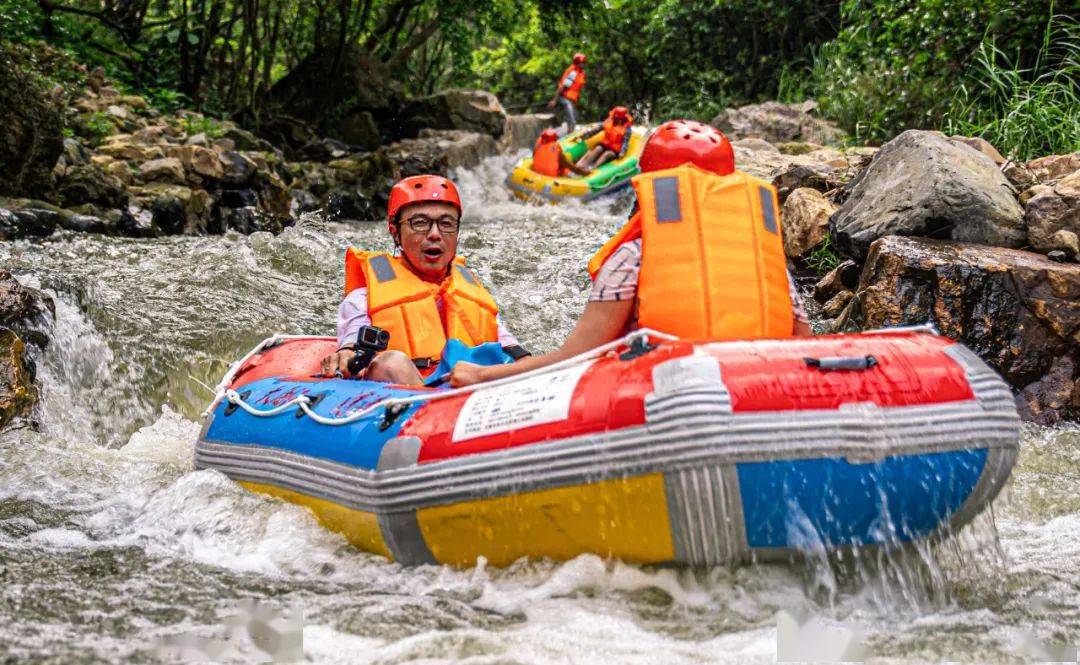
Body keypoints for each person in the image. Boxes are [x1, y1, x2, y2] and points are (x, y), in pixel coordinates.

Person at [450, 119, 812, 388]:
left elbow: (575, 357)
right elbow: (804, 347)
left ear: (648, 188)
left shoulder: (634, 257)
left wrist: (483, 375)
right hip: (760, 387)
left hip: (670, 395)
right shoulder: (768, 262)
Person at [321, 175, 528, 385]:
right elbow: (352, 349)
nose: (435, 234)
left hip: (468, 389)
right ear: (395, 233)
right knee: (392, 362)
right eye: (419, 223)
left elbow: (517, 359)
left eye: (446, 223)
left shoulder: (477, 296)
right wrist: (347, 353)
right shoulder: (363, 298)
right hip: (407, 393)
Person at [574, 106, 633, 170]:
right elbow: (595, 131)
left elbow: (625, 142)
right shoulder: (608, 122)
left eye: (616, 118)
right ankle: (582, 165)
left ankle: (593, 168)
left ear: (621, 119)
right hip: (605, 145)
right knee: (598, 149)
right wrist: (583, 136)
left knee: (607, 154)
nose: (613, 118)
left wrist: (622, 153)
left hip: (614, 151)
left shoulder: (627, 129)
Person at [547, 53, 586, 132]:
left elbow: (576, 89)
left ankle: (568, 132)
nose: (583, 65)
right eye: (581, 63)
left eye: (583, 63)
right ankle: (569, 137)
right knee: (572, 120)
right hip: (565, 97)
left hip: (572, 99)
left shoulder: (581, 73)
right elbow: (563, 86)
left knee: (574, 117)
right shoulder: (573, 73)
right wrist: (554, 100)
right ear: (577, 64)